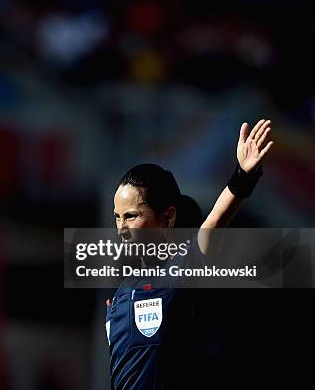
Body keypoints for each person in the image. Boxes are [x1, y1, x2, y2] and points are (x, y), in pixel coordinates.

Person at [106, 119, 274, 389]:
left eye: (132, 216)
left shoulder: (182, 269)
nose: (121, 228)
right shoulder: (121, 294)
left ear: (168, 217)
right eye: (117, 217)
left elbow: (214, 223)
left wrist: (243, 175)